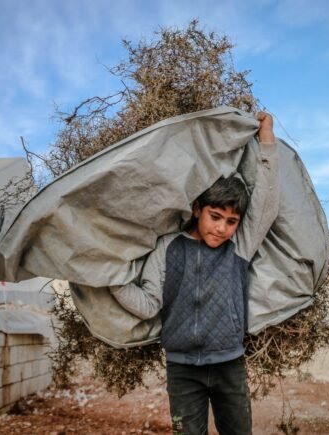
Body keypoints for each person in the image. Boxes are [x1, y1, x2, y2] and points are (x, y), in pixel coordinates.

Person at [111, 112, 278, 434]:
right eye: (215, 216)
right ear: (198, 208)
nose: (222, 229)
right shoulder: (168, 247)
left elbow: (267, 200)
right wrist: (112, 280)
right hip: (181, 369)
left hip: (230, 364)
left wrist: (267, 139)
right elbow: (148, 304)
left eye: (231, 222)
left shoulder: (239, 247)